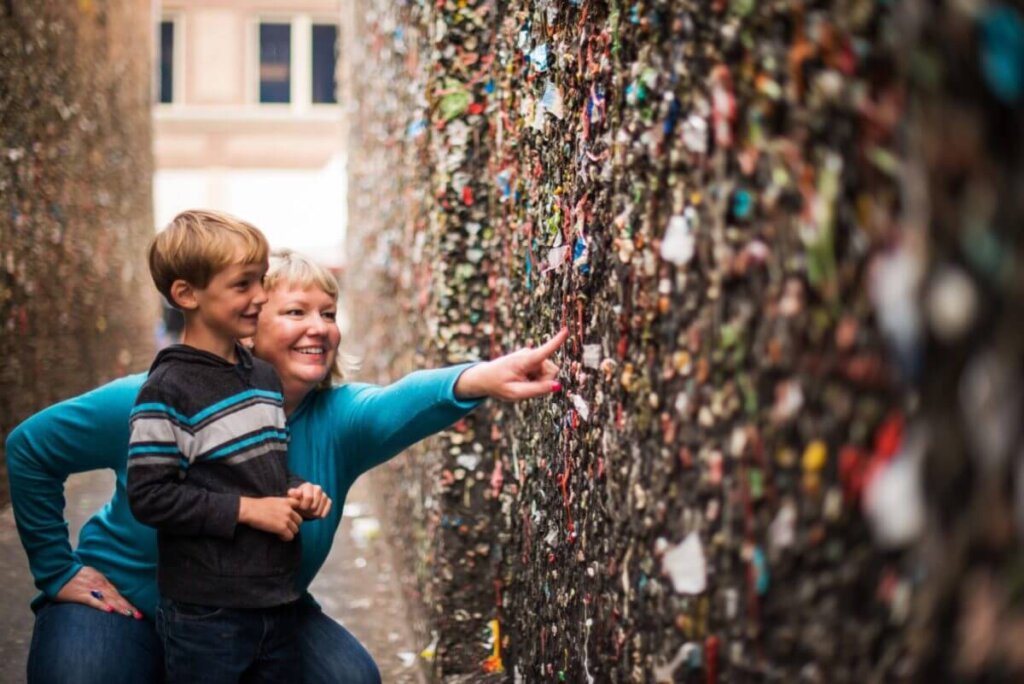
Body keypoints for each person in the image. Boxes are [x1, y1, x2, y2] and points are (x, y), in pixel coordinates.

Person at [7, 246, 567, 684]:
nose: (319, 327)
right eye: (296, 312)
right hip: (122, 602)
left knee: (347, 677)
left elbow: (406, 398)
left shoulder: (342, 418)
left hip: (257, 612)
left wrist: (481, 377)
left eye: (328, 313)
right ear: (248, 324)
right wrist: (58, 570)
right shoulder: (158, 394)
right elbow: (31, 447)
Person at [126, 210, 330, 682]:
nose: (260, 296)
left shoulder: (261, 376)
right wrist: (249, 511)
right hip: (206, 615)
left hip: (277, 601)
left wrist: (299, 491)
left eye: (261, 281)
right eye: (243, 285)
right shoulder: (166, 390)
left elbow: (265, 472)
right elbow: (150, 496)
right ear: (186, 294)